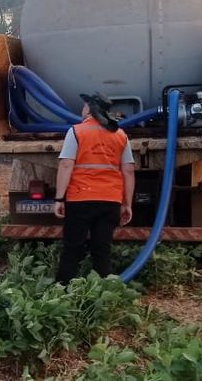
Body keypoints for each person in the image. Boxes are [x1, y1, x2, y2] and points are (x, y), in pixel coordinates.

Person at [52, 93, 136, 284]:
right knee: (102, 249)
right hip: (110, 201)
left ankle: (62, 292)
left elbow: (66, 165)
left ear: (89, 109)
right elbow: (129, 170)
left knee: (73, 248)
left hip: (80, 199)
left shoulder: (76, 131)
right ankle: (103, 294)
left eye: (84, 106)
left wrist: (59, 198)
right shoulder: (120, 135)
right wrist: (127, 203)